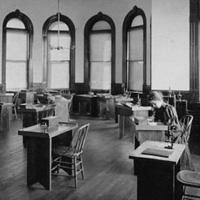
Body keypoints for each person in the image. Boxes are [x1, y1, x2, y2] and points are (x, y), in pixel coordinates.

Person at [149, 91, 195, 170]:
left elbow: (172, 126)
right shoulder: (159, 108)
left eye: (154, 103)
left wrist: (160, 125)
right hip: (166, 130)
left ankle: (162, 165)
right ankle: (156, 165)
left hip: (175, 133)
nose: (153, 106)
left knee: (154, 138)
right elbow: (158, 121)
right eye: (152, 104)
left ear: (160, 100)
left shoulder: (169, 108)